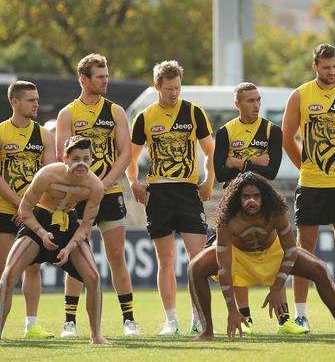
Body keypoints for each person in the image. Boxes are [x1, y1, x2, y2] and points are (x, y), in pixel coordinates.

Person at [187, 172, 335, 341]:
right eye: (246, 196)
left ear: (264, 196)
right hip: (239, 257)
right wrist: (232, 310)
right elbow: (224, 267)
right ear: (236, 198)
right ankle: (207, 330)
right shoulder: (227, 219)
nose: (251, 201)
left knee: (320, 270)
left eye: (256, 196)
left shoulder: (275, 212)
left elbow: (291, 250)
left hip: (273, 254)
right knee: (195, 268)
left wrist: (276, 287)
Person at [126, 60, 215, 335]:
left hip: (188, 192)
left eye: (177, 87)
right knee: (165, 259)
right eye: (168, 89)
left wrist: (208, 181)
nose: (174, 93)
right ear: (157, 87)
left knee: (197, 258)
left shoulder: (194, 113)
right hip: (159, 193)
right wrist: (134, 182)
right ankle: (170, 320)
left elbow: (212, 151)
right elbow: (130, 156)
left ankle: (198, 317)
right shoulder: (144, 116)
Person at [55, 53, 138, 337]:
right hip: (77, 195)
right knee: (78, 256)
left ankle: (129, 319)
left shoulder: (115, 111)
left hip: (110, 192)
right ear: (84, 79)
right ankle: (70, 322)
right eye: (100, 77)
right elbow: (60, 155)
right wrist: (86, 187)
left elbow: (125, 152)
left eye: (106, 76)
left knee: (116, 255)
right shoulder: (67, 113)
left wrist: (105, 183)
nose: (106, 81)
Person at [282, 44, 335, 331]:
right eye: (327, 67)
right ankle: (301, 315)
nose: (332, 72)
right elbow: (287, 136)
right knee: (305, 250)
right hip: (311, 184)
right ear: (315, 67)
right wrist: (306, 164)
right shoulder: (300, 94)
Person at [213, 82, 305, 333]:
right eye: (249, 101)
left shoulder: (271, 131)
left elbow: (272, 172)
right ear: (237, 104)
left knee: (276, 254)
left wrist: (237, 161)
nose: (255, 105)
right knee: (236, 261)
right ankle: (246, 320)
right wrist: (253, 161)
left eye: (257, 100)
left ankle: (285, 321)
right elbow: (219, 171)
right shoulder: (225, 132)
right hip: (233, 204)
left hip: (265, 204)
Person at [0, 135, 109, 344]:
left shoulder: (95, 186)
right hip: (40, 220)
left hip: (69, 226)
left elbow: (86, 226)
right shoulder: (47, 174)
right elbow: (24, 209)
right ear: (65, 159)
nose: (81, 163)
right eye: (76, 158)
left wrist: (69, 248)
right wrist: (41, 233)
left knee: (93, 277)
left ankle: (96, 335)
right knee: (9, 273)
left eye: (86, 159)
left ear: (92, 160)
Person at [0, 81, 55, 339]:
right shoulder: (1, 132)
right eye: (31, 100)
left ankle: (31, 326)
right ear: (15, 102)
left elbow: (49, 176)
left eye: (37, 98)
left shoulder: (44, 135)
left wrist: (28, 208)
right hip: (5, 210)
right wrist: (18, 205)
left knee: (33, 267)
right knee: (6, 270)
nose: (36, 104)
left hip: (33, 212)